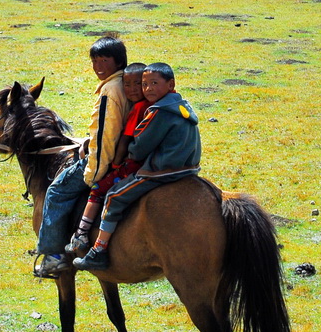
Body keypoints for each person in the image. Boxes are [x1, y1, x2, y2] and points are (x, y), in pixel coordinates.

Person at [73, 62, 201, 271]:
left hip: (162, 171)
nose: (148, 89)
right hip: (189, 168)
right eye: (145, 84)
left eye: (154, 83)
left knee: (114, 196)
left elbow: (139, 149)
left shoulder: (158, 112)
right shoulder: (180, 105)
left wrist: (126, 153)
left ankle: (99, 250)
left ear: (170, 84)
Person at [34, 34, 131, 278]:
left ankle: (55, 257)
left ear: (118, 62)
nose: (98, 67)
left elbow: (106, 136)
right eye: (94, 61)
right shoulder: (126, 82)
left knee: (56, 191)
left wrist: (93, 173)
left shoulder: (109, 90)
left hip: (103, 160)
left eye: (104, 60)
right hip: (123, 153)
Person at [65, 63, 150, 253]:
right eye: (127, 85)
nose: (131, 89)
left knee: (98, 189)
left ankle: (81, 234)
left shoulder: (138, 109)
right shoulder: (154, 103)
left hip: (131, 163)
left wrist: (117, 163)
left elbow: (124, 140)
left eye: (138, 84)